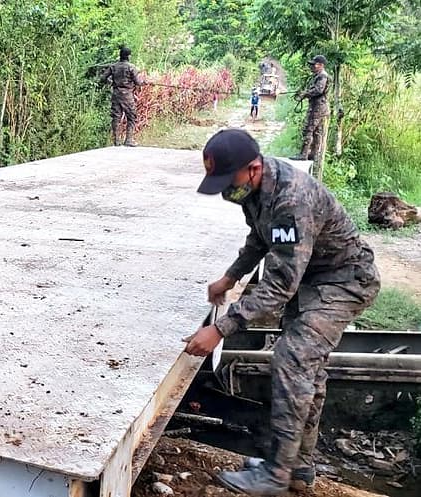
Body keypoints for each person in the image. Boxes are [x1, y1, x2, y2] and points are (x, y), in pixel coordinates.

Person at [185, 129, 380, 496]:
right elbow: (259, 239)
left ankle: (275, 475)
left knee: (292, 360)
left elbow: (278, 286)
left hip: (344, 282)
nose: (226, 191)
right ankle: (298, 468)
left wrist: (221, 328)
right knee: (308, 373)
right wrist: (231, 277)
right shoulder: (255, 190)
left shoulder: (291, 200)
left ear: (253, 168)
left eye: (229, 181)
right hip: (313, 280)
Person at [98, 46, 145, 147]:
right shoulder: (131, 67)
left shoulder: (113, 66)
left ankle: (116, 141)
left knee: (116, 117)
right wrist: (143, 82)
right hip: (127, 95)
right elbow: (138, 82)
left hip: (115, 94)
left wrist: (111, 82)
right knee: (131, 116)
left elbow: (102, 78)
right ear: (128, 56)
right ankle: (128, 140)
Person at [292, 55, 331, 161]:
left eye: (314, 64)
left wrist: (305, 94)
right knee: (317, 131)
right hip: (320, 107)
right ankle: (313, 154)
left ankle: (303, 154)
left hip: (317, 108)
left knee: (308, 129)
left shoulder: (322, 76)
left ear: (321, 65)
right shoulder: (319, 76)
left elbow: (318, 90)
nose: (312, 66)